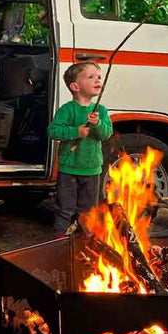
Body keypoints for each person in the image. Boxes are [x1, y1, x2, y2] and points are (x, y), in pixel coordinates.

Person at [47, 62, 113, 237]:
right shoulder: (67, 110)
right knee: (65, 208)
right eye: (91, 77)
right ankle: (58, 242)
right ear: (75, 86)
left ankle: (86, 244)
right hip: (69, 169)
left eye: (99, 77)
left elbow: (106, 134)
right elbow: (53, 131)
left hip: (92, 170)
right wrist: (76, 131)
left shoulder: (100, 110)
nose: (97, 80)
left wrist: (97, 124)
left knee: (89, 211)